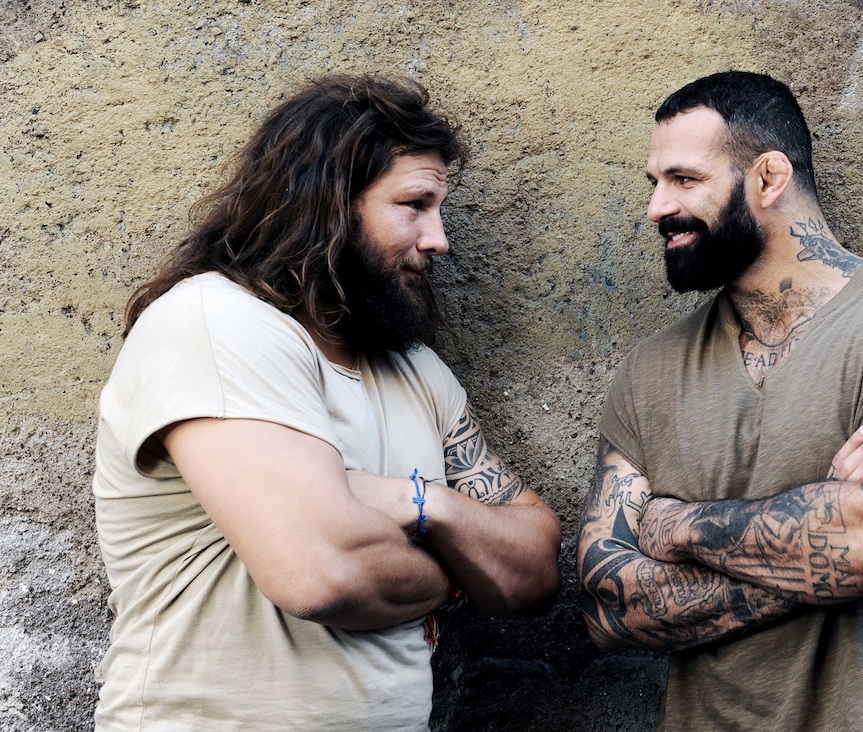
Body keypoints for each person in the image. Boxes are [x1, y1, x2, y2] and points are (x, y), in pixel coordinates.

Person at [92, 74, 562, 730]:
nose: (439, 239)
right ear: (328, 204)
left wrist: (424, 504)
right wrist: (459, 570)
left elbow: (534, 571)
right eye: (414, 205)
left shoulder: (415, 370)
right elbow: (324, 575)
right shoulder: (215, 323)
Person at [577, 70, 863, 731]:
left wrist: (679, 527)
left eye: (683, 179)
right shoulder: (650, 372)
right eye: (655, 182)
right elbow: (609, 610)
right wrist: (829, 541)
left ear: (769, 178)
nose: (656, 207)